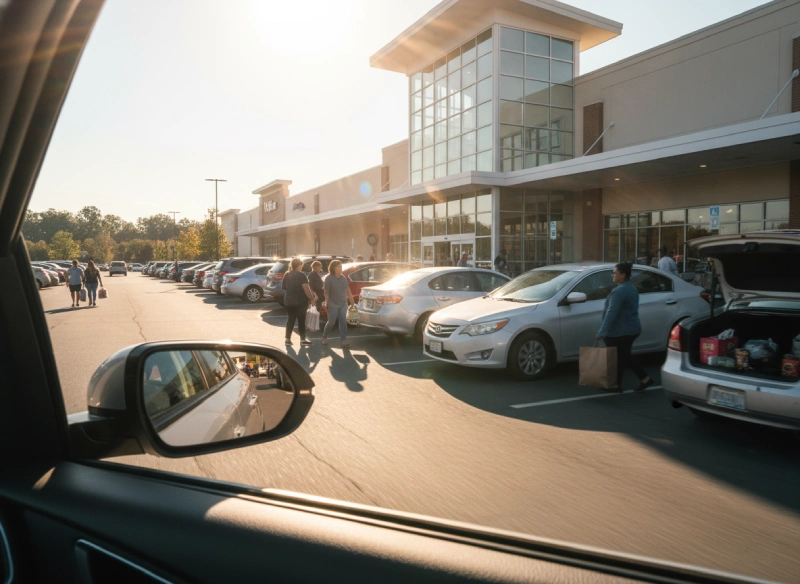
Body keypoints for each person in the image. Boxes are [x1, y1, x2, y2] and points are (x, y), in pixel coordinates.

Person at [595, 263, 654, 392]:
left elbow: (612, 312)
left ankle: (618, 385)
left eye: (614, 273)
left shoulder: (620, 291)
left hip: (621, 331)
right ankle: (642, 380)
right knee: (623, 356)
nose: (612, 275)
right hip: (631, 329)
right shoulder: (631, 288)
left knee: (621, 357)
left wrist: (602, 332)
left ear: (622, 275)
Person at [281, 258, 316, 346]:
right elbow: (306, 288)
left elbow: (284, 287)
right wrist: (312, 299)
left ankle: (287, 339)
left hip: (288, 300)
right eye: (301, 265)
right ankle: (302, 340)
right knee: (301, 320)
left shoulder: (287, 274)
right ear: (299, 265)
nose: (302, 267)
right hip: (300, 301)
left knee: (291, 319)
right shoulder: (301, 275)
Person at [321, 259, 355, 348]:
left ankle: (343, 340)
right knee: (331, 322)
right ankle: (324, 336)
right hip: (333, 304)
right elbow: (326, 292)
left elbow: (347, 289)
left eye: (341, 267)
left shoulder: (343, 277)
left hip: (343, 303)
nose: (340, 268)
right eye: (339, 267)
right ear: (333, 268)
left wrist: (352, 301)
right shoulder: (329, 278)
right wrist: (326, 303)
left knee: (343, 321)